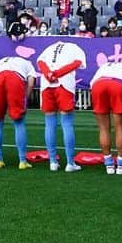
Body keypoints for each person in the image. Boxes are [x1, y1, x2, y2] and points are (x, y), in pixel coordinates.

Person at [37, 40, 85, 172]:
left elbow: (40, 62)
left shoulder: (49, 46)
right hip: (64, 84)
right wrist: (57, 74)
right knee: (67, 123)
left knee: (49, 124)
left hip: (46, 84)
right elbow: (77, 63)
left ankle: (53, 162)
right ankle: (70, 163)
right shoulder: (75, 46)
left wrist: (49, 74)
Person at [0, 53, 36, 170]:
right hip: (14, 78)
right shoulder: (28, 64)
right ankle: (22, 161)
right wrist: (25, 99)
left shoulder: (0, 61)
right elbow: (31, 82)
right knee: (19, 122)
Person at [90, 60, 122, 174]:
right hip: (118, 85)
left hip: (99, 85)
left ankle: (109, 165)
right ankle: (121, 165)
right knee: (121, 129)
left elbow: (92, 85)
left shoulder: (103, 66)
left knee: (103, 128)